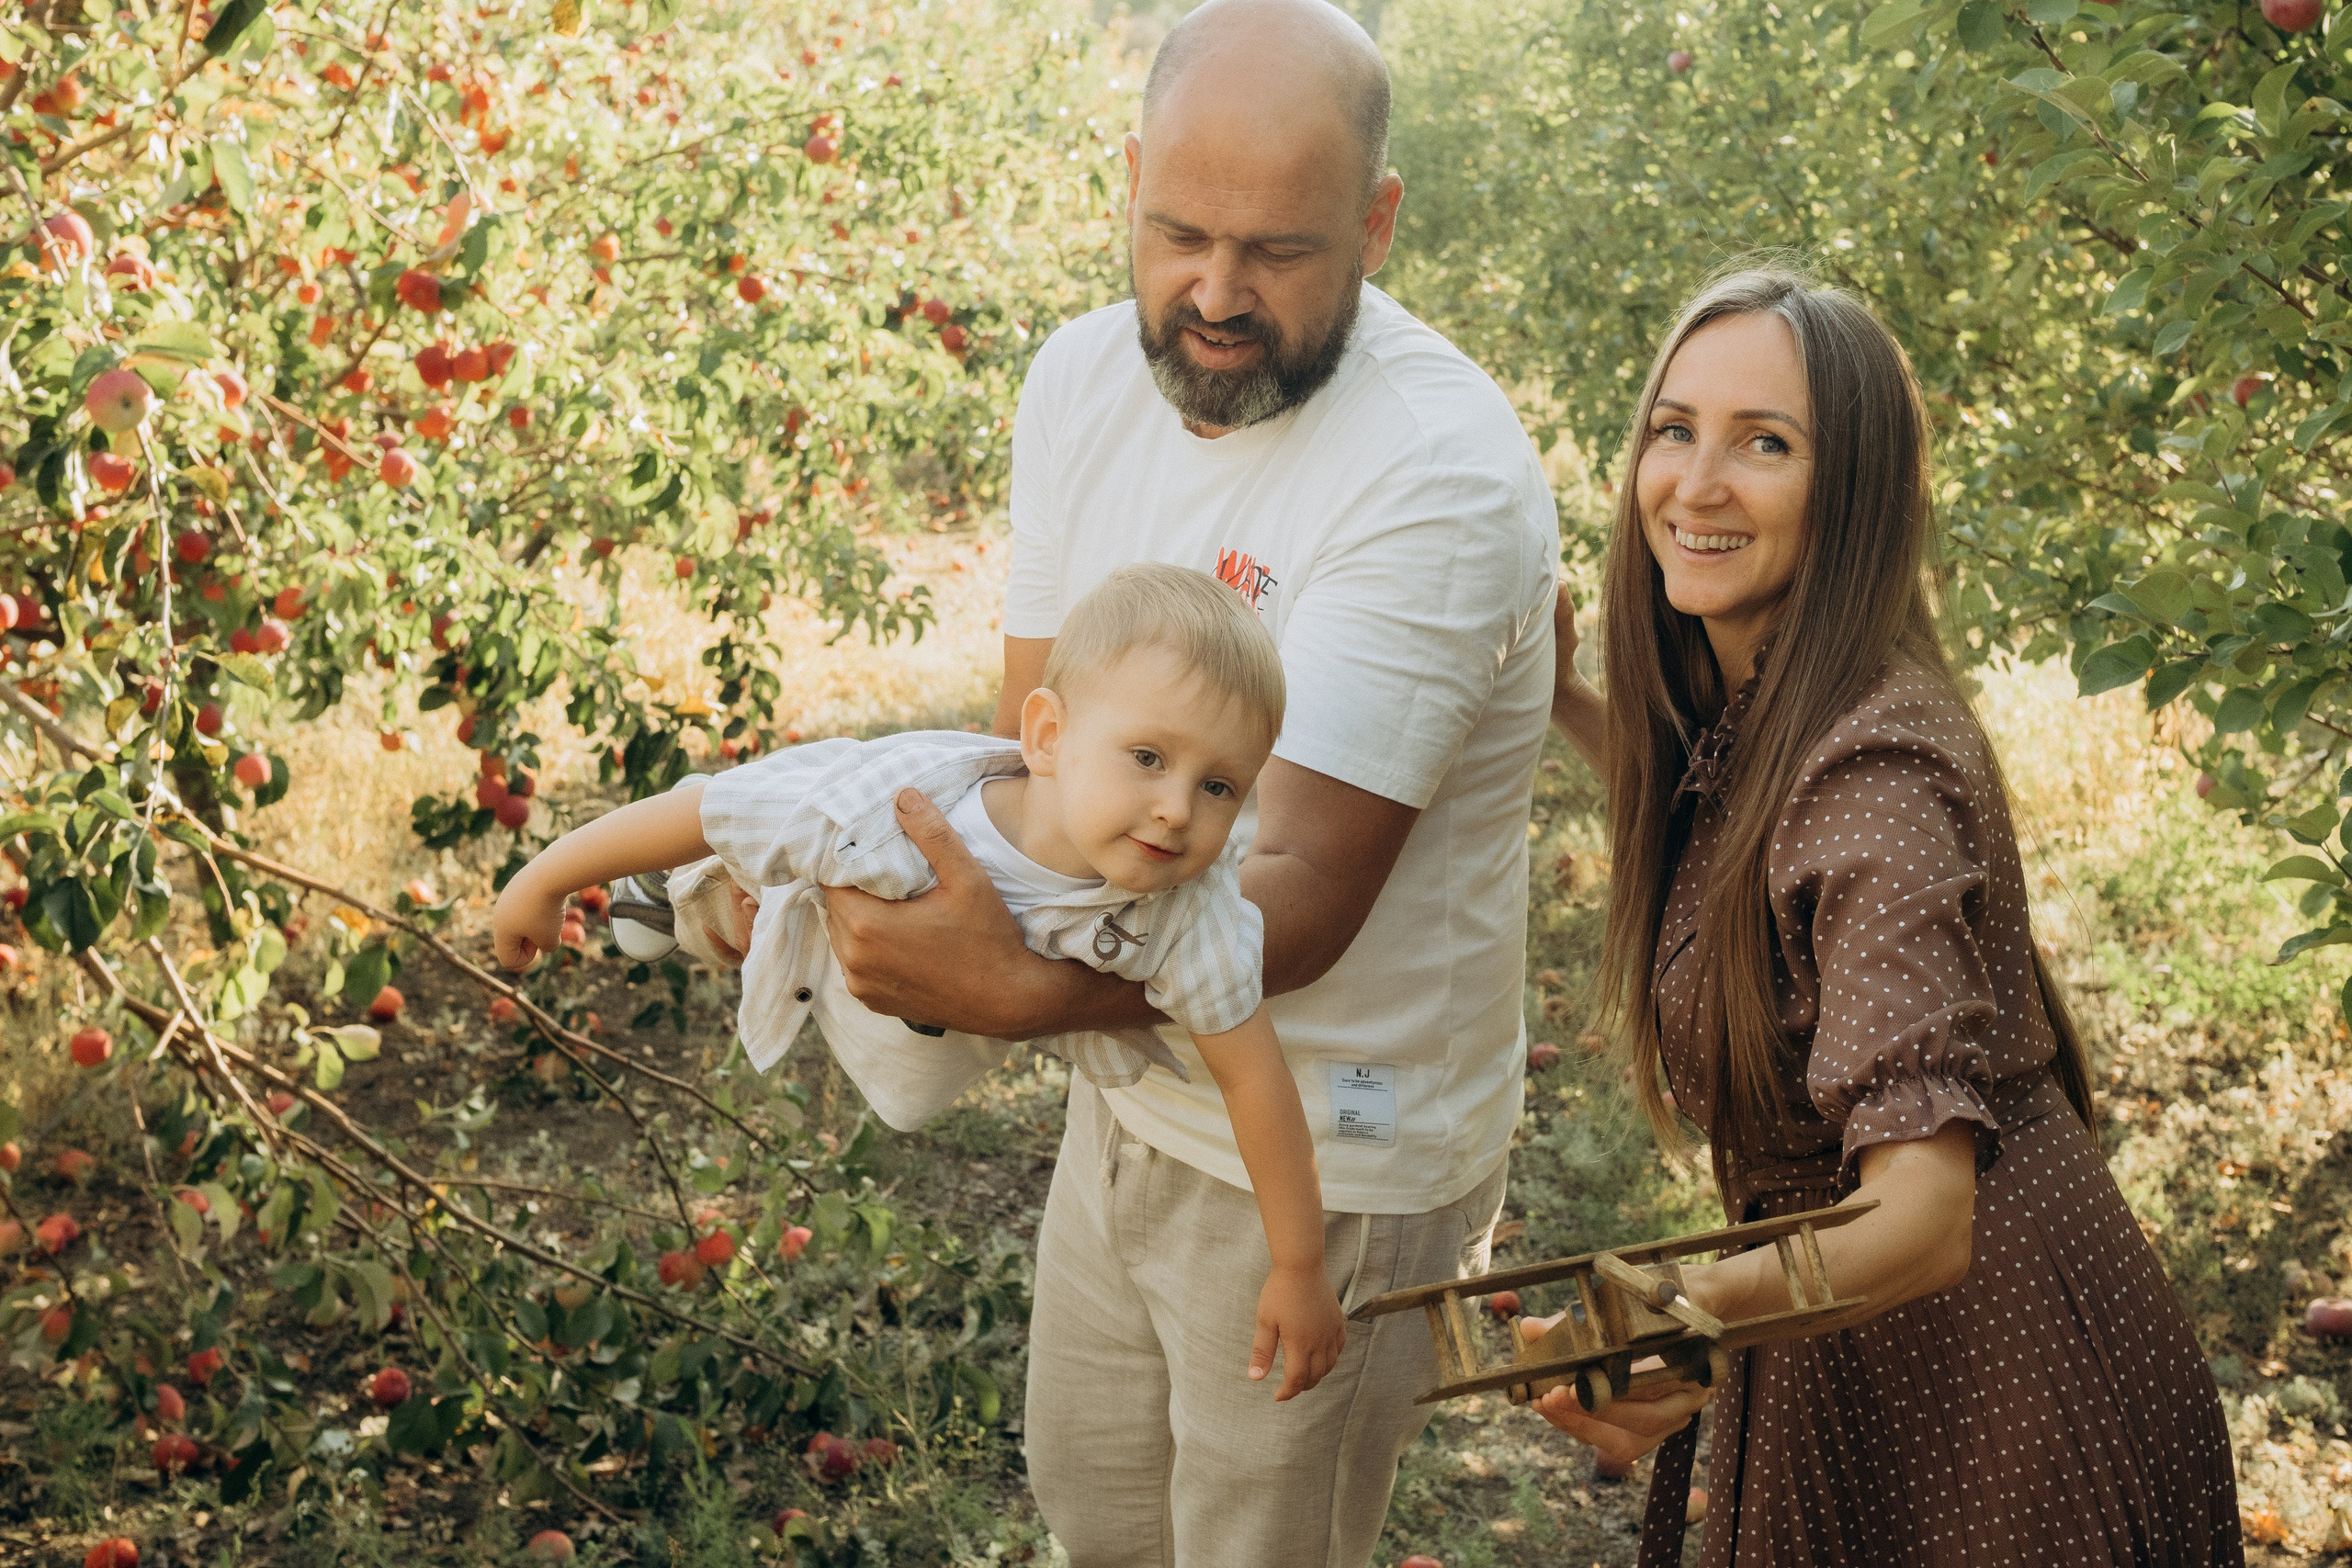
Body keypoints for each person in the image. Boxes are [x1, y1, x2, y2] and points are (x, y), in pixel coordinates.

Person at [747, 0, 1561, 1560]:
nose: (1216, 294)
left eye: (1280, 251)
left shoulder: (1435, 471)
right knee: (1094, 1514)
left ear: (1379, 224)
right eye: (1180, 231)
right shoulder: (1076, 385)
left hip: (1330, 1141)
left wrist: (1003, 985)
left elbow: (1297, 896)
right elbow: (1039, 757)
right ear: (1128, 181)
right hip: (1132, 1098)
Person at [1535, 265, 2243, 1565]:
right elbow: (1731, 843)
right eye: (1675, 428)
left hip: (1989, 1392)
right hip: (1867, 1347)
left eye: (1766, 443)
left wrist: (1673, 1306)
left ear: (1849, 490)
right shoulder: (1788, 715)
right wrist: (1569, 695)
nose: (1695, 482)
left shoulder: (1873, 773)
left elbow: (1921, 1214)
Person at [488, 565, 1348, 1401]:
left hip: (930, 1028)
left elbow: (1254, 1078)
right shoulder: (892, 809)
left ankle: (729, 899)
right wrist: (545, 880)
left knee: (876, 1031)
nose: (1176, 809)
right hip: (846, 908)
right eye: (1148, 756)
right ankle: (694, 893)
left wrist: (1300, 1264)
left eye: (1220, 785)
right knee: (758, 873)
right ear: (1046, 737)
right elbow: (718, 803)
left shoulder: (1192, 912)